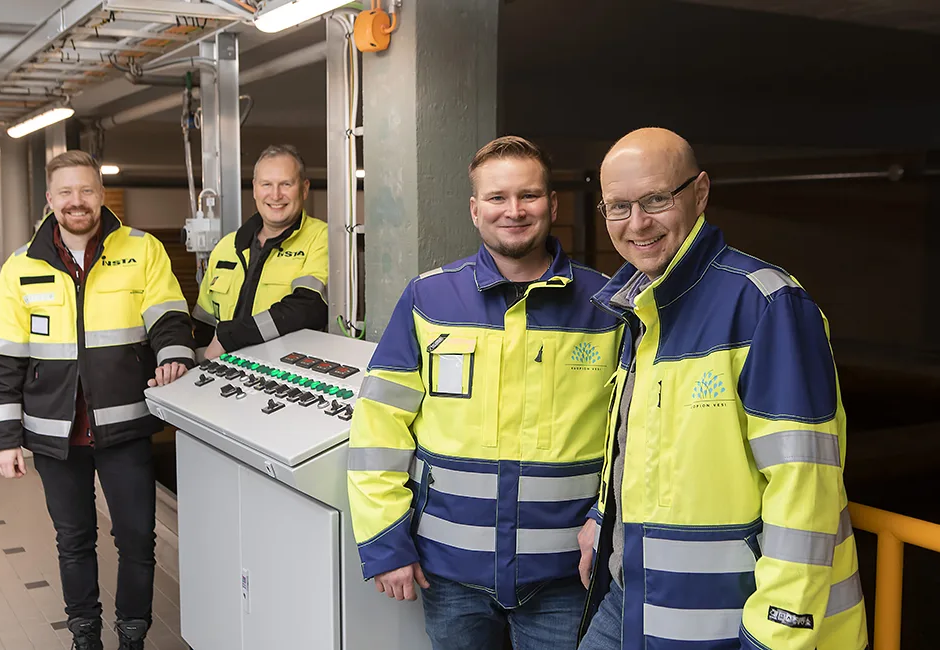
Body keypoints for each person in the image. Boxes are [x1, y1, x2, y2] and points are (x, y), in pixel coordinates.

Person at [576, 128, 868, 649]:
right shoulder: (639, 306)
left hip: (730, 620)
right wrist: (603, 518)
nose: (637, 224)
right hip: (631, 600)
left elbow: (805, 486)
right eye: (618, 207)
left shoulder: (766, 305)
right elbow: (639, 447)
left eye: (655, 199)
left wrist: (777, 630)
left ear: (700, 192)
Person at [347, 136, 624, 650]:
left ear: (553, 205)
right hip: (449, 573)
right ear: (475, 210)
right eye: (497, 198)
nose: (514, 211)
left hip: (566, 572)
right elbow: (378, 427)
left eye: (529, 196)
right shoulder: (427, 298)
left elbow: (632, 435)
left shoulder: (607, 305)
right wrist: (386, 542)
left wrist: (607, 522)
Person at [0, 150, 195, 650]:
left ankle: (132, 634)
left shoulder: (142, 249)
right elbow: (1, 359)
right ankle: (85, 635)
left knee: (138, 539)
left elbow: (168, 316)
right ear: (50, 200)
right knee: (74, 542)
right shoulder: (21, 266)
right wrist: (3, 439)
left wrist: (175, 357)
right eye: (66, 192)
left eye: (87, 190)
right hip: (56, 434)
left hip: (125, 426)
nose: (77, 201)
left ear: (101, 194)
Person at [192, 144, 329, 359]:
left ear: (304, 188)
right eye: (267, 184)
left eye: (286, 184)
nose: (275, 195)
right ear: (255, 188)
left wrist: (231, 337)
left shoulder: (322, 238)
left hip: (286, 375)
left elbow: (308, 308)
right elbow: (204, 322)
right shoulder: (227, 246)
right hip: (223, 373)